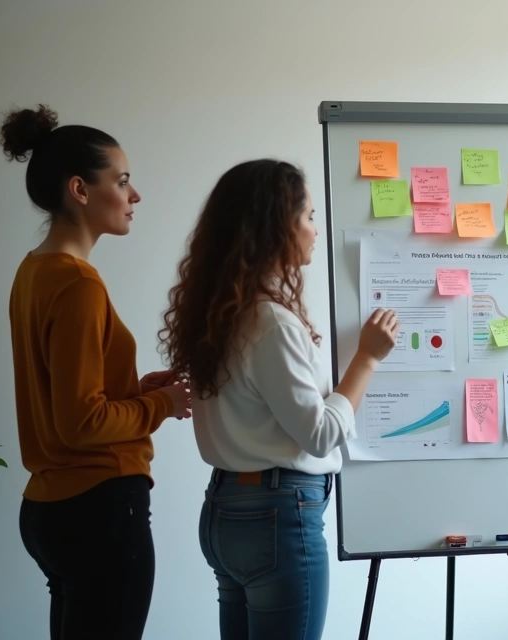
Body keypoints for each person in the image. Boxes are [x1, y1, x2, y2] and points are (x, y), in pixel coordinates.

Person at [158, 159, 398, 640]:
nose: (315, 231)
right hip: (276, 514)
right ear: (276, 226)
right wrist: (367, 359)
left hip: (227, 508)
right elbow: (320, 434)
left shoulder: (220, 315)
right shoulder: (271, 323)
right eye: (308, 217)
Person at [1, 104, 192, 640]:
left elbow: (62, 393)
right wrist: (160, 406)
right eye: (123, 181)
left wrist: (135, 390)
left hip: (49, 509)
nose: (135, 196)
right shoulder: (80, 284)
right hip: (100, 510)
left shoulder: (33, 272)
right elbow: (81, 423)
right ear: (80, 190)